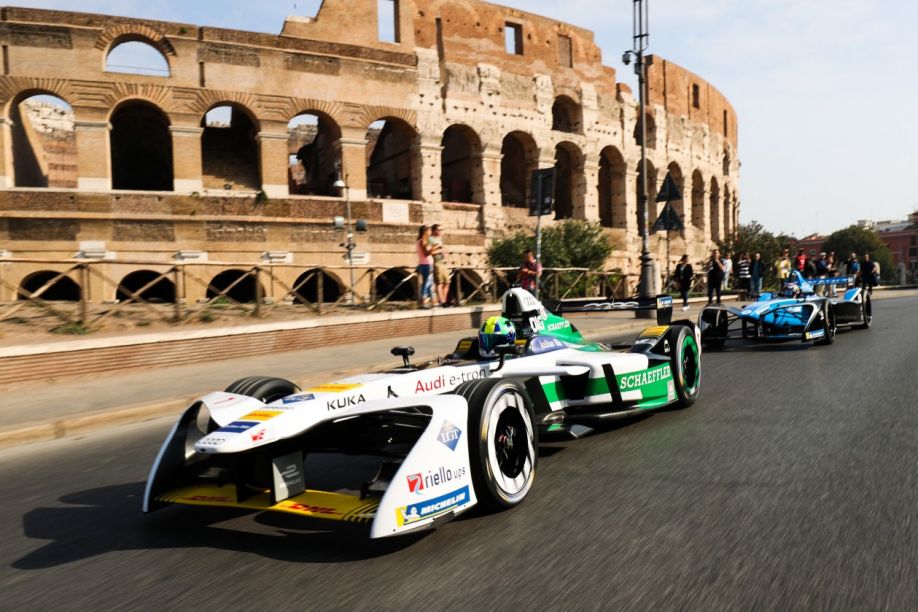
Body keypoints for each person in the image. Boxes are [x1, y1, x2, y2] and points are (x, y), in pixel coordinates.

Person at [428, 224, 450, 306]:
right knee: (439, 283)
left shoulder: (439, 239)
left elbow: (442, 249)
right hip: (437, 263)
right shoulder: (430, 239)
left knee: (447, 282)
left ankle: (444, 301)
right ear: (434, 230)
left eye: (441, 230)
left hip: (443, 262)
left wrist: (445, 252)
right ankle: (442, 301)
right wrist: (440, 250)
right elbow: (430, 252)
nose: (441, 232)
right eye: (439, 230)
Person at [415, 225, 435, 308]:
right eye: (429, 230)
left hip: (424, 264)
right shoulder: (423, 241)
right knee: (426, 283)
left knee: (430, 283)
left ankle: (433, 302)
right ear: (425, 231)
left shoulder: (421, 241)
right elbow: (426, 253)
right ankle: (423, 302)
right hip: (427, 264)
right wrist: (434, 247)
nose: (430, 232)